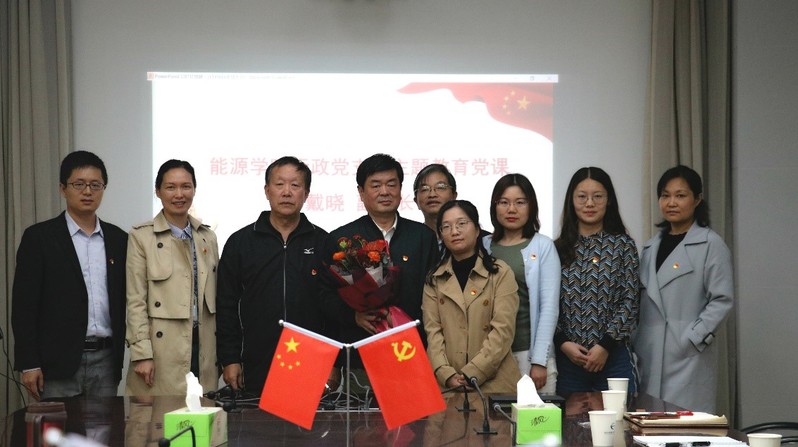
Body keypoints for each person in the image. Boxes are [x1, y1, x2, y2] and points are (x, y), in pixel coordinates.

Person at [12, 151, 128, 400]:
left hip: (106, 360)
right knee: (58, 427)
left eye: (95, 185)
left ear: (103, 189)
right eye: (79, 184)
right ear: (63, 188)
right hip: (56, 363)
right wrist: (29, 363)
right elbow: (24, 306)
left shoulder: (119, 239)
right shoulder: (39, 238)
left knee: (106, 426)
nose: (87, 191)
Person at [216, 156, 331, 395]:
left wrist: (335, 362)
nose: (287, 192)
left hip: (311, 361)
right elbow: (226, 305)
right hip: (255, 362)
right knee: (257, 419)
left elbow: (332, 308)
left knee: (309, 419)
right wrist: (230, 358)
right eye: (279, 184)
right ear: (267, 191)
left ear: (306, 193)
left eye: (295, 185)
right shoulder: (241, 242)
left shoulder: (323, 242)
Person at [633, 165, 733, 413]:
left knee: (686, 425)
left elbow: (721, 300)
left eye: (680, 195)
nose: (671, 203)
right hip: (649, 352)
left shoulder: (710, 244)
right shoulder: (650, 248)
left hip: (687, 355)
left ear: (697, 199)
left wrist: (693, 338)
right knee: (650, 424)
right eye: (665, 195)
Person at [321, 153, 438, 361]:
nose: (385, 191)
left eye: (391, 184)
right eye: (375, 185)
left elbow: (435, 294)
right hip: (360, 351)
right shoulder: (342, 239)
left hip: (413, 351)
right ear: (361, 192)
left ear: (400, 189)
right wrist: (353, 317)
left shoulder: (422, 237)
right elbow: (324, 294)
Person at [125, 160, 219, 395]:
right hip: (162, 350)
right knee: (158, 415)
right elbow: (136, 300)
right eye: (170, 187)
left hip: (203, 347)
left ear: (194, 189)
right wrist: (142, 353)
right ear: (158, 191)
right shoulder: (141, 237)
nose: (179, 194)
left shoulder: (207, 236)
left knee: (202, 412)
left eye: (186, 186)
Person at [553, 167, 640, 395]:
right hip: (568, 361)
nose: (589, 203)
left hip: (613, 357)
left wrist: (605, 346)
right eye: (582, 196)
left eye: (598, 196)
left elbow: (630, 301)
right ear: (571, 201)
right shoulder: (557, 249)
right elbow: (548, 304)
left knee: (619, 418)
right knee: (570, 419)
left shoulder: (623, 246)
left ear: (608, 200)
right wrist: (563, 343)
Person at [423, 200, 521, 393]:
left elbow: (503, 331)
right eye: (446, 227)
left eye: (461, 224)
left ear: (477, 230)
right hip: (448, 385)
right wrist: (445, 374)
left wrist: (474, 372)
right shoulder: (434, 279)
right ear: (441, 235)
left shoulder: (500, 273)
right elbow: (433, 333)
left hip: (495, 382)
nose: (454, 231)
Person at [484, 173, 560, 393]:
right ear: (494, 206)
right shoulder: (484, 245)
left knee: (535, 417)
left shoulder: (543, 246)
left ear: (531, 207)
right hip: (491, 355)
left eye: (520, 202)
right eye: (504, 202)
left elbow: (549, 307)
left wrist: (539, 361)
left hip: (528, 353)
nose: (511, 209)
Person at [413, 164, 458, 234]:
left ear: (454, 196)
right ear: (416, 201)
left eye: (440, 187)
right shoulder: (410, 238)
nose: (432, 195)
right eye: (425, 189)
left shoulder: (470, 237)